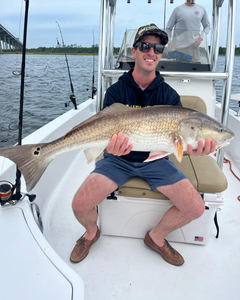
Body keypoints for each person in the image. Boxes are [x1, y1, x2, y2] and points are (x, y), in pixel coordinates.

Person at [70, 23, 215, 266]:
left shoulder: (170, 96)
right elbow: (105, 135)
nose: (152, 52)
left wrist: (195, 149)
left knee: (195, 208)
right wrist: (109, 149)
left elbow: (177, 143)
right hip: (118, 160)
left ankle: (156, 237)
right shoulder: (116, 92)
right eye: (145, 46)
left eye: (158, 48)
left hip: (157, 161)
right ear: (134, 51)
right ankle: (91, 232)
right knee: (79, 204)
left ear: (161, 54)